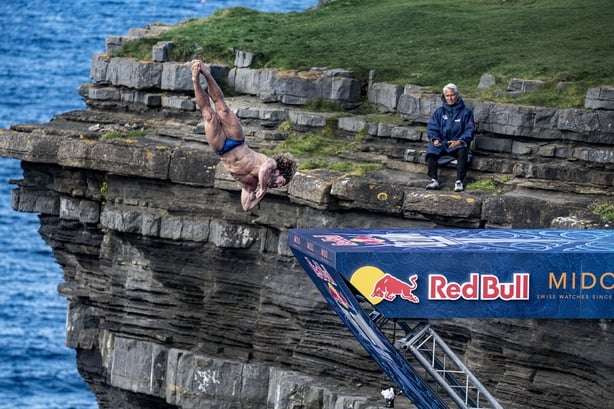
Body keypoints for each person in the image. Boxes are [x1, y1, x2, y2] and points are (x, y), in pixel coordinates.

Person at [190, 60, 297, 211]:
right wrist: (264, 188)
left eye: (280, 186)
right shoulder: (271, 164)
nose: (278, 185)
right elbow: (263, 170)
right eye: (282, 182)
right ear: (279, 172)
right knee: (222, 108)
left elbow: (246, 206)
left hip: (221, 149)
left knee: (208, 115)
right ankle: (206, 73)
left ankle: (195, 81)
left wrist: (259, 195)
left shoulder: (251, 186)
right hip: (237, 141)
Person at [424, 83, 475, 192]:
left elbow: (469, 129)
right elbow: (432, 127)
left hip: (457, 144)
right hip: (443, 143)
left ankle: (459, 181)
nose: (450, 98)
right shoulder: (439, 112)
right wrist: (435, 139)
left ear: (456, 95)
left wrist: (460, 141)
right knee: (431, 150)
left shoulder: (466, 112)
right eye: (447, 96)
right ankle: (434, 180)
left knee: (463, 151)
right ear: (444, 96)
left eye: (452, 95)